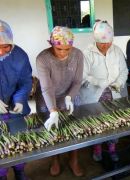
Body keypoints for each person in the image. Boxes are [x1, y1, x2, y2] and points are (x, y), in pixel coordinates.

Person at [35, 26, 84, 176]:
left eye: (67, 49)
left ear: (72, 45)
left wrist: (70, 97)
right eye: (59, 49)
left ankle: (73, 160)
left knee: (74, 129)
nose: (63, 53)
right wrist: (53, 110)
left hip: (69, 94)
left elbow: (77, 81)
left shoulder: (78, 55)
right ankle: (55, 159)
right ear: (51, 44)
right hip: (47, 98)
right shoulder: (43, 58)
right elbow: (46, 88)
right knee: (53, 131)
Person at [79, 20, 128, 162]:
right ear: (95, 40)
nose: (106, 45)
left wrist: (119, 82)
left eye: (109, 42)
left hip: (114, 94)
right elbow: (82, 76)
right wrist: (96, 81)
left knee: (114, 122)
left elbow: (124, 70)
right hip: (94, 96)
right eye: (102, 43)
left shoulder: (117, 50)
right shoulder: (87, 53)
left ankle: (112, 149)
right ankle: (97, 148)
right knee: (97, 123)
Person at [0, 20, 32, 180]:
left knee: (18, 143)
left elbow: (26, 81)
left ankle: (20, 171)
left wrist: (19, 99)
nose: (2, 51)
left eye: (6, 46)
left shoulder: (20, 56)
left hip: (14, 110)